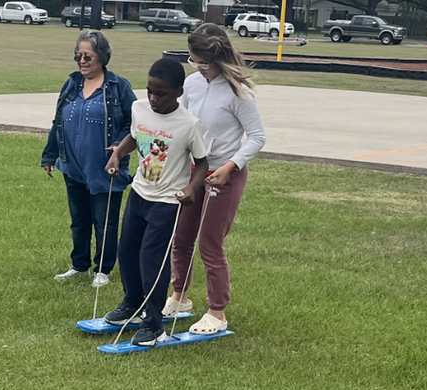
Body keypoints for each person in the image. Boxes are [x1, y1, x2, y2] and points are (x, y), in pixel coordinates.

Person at [166, 23, 266, 335]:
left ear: (218, 59)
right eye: (192, 60)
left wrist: (231, 166)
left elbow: (257, 137)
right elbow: (180, 120)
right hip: (194, 174)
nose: (197, 67)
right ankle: (179, 297)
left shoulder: (238, 93)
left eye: (202, 62)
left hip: (224, 176)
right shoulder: (193, 85)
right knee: (181, 238)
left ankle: (217, 311)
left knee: (210, 243)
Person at [102, 57, 208, 346]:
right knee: (127, 251)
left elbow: (202, 162)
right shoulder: (140, 109)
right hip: (139, 193)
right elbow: (135, 138)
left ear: (178, 91)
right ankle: (132, 305)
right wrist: (117, 155)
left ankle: (154, 324)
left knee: (152, 261)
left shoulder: (188, 124)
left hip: (167, 202)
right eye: (149, 91)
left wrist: (191, 189)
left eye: (160, 93)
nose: (153, 98)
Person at [42, 30, 136, 288]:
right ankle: (79, 265)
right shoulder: (71, 84)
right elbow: (58, 121)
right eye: (78, 56)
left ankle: (103, 270)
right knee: (79, 219)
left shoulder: (119, 87)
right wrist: (50, 155)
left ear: (102, 57)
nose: (82, 61)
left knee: (104, 221)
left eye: (88, 56)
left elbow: (134, 124)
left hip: (105, 169)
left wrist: (118, 148)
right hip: (72, 166)